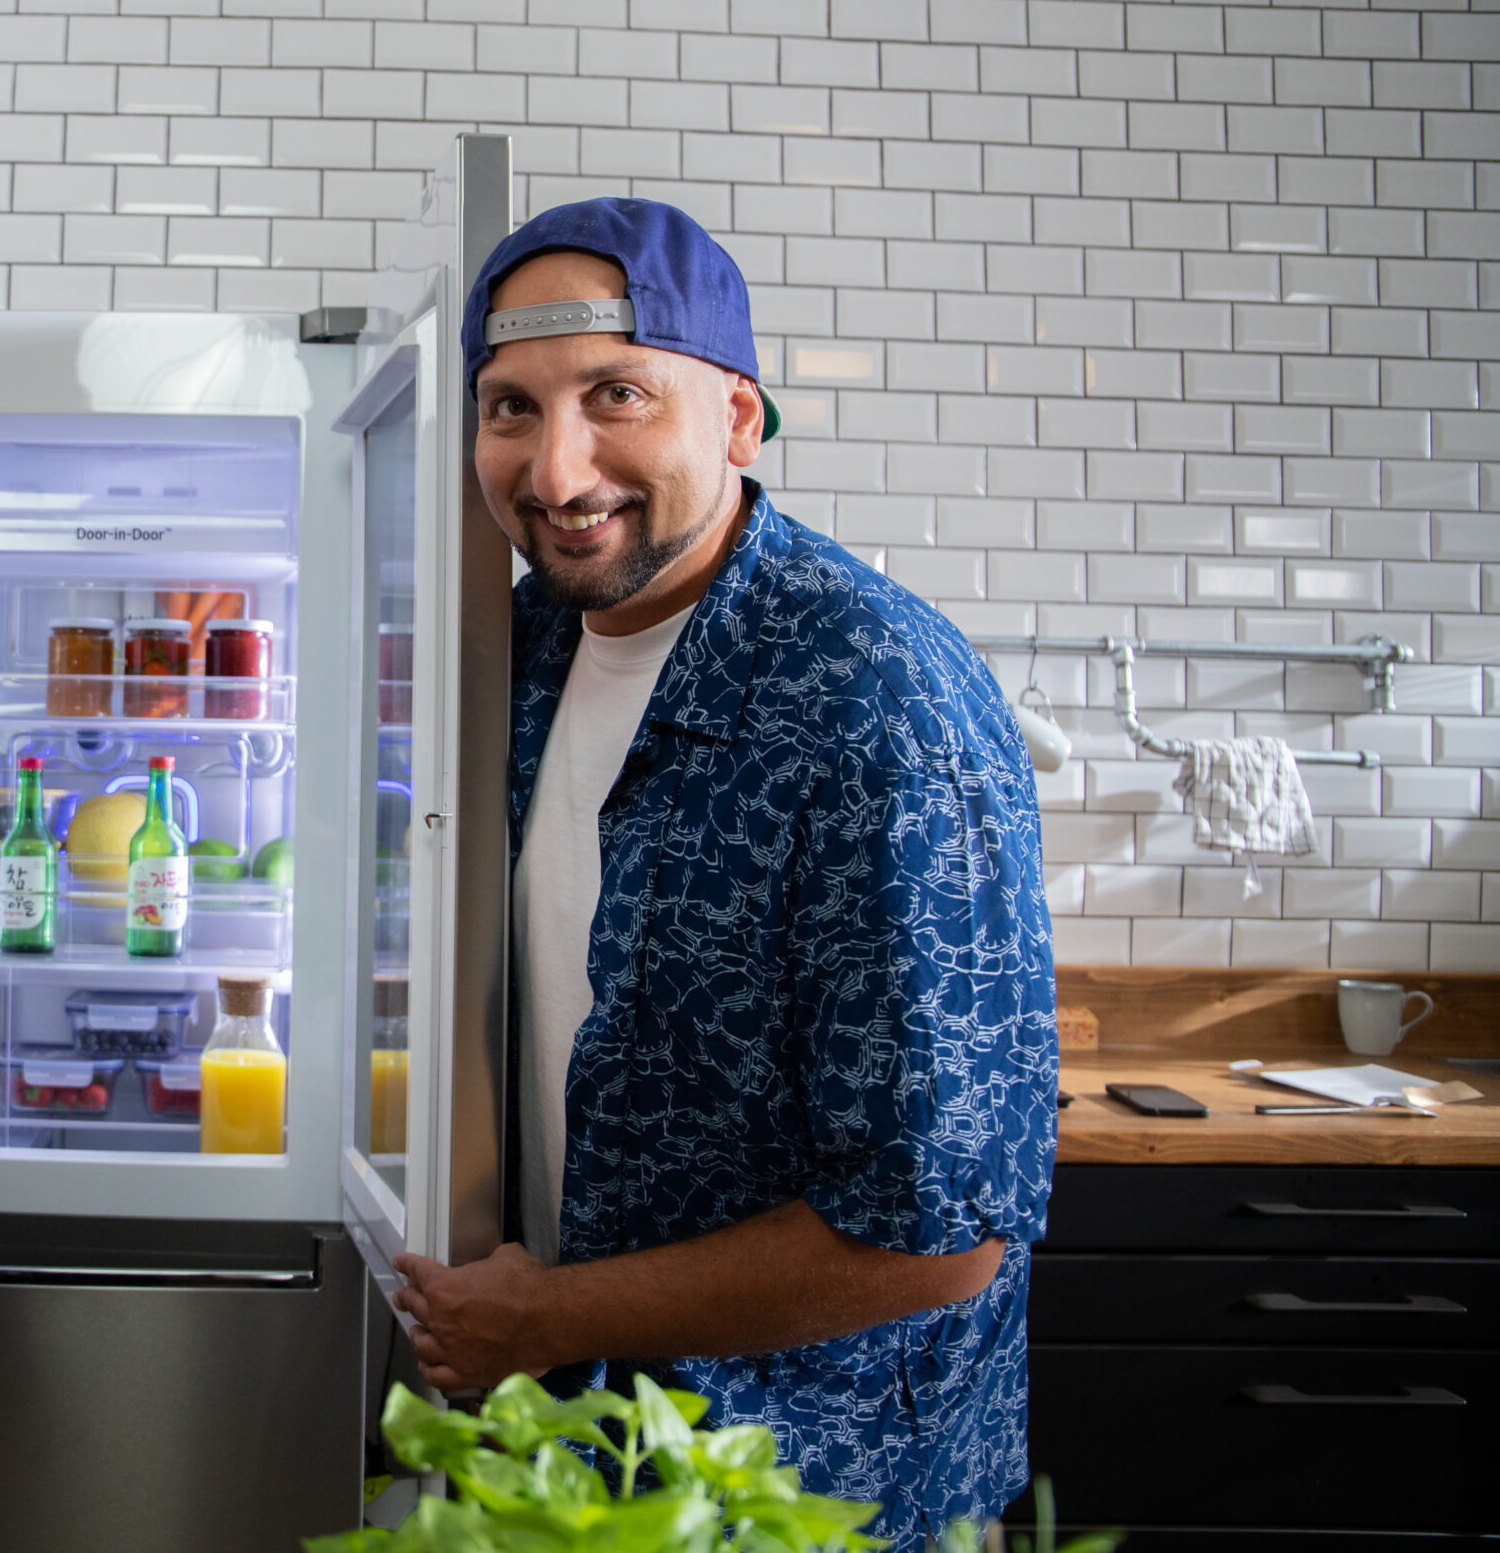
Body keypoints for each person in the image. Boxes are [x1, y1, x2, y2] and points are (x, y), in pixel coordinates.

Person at [391, 197, 1055, 1544]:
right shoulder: (517, 650)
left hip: (810, 1497)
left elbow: (939, 1233)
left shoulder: (876, 700)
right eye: (510, 408)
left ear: (740, 422)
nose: (557, 471)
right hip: (584, 1465)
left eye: (617, 395)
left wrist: (544, 1316)